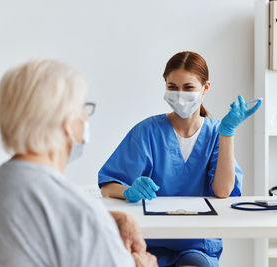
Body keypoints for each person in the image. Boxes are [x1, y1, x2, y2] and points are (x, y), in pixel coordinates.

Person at [0, 59, 157, 267]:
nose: (86, 120)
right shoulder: (82, 216)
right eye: (83, 109)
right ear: (68, 124)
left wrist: (109, 219)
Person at [98, 51, 262, 267]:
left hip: (196, 244)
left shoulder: (216, 133)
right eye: (172, 87)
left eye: (188, 87)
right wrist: (128, 192)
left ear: (205, 88)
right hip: (148, 242)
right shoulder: (147, 132)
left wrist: (227, 132)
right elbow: (108, 186)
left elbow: (223, 192)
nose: (180, 95)